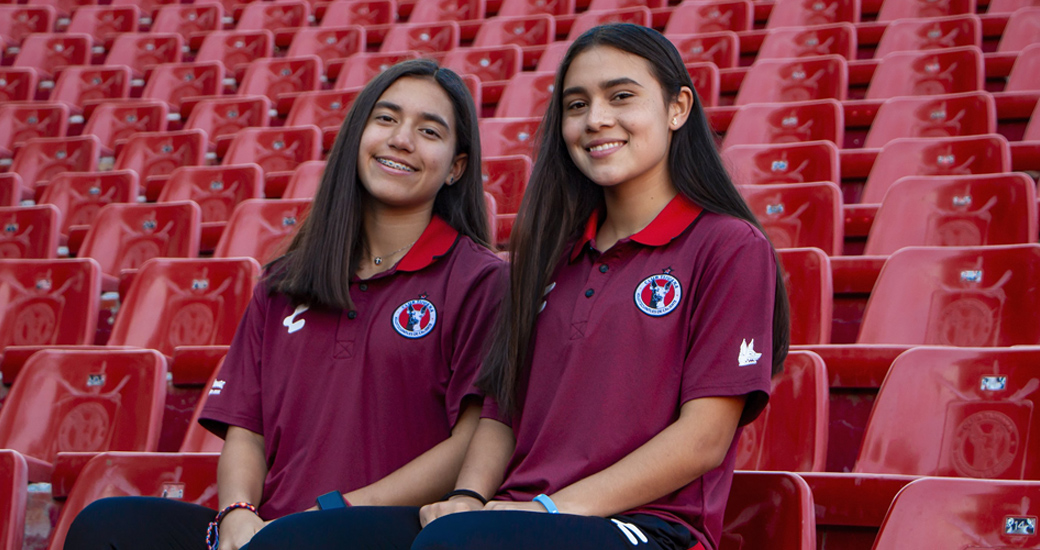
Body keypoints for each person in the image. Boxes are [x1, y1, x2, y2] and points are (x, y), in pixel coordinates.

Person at [247, 23, 790, 550]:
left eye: (621, 96)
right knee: (298, 540)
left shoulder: (729, 245)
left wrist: (552, 510)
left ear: (678, 109)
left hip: (646, 525)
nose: (596, 119)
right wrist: (466, 495)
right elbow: (502, 411)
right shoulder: (546, 259)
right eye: (576, 105)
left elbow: (704, 439)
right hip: (517, 514)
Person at [64, 58, 505, 550]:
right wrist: (237, 513)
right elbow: (245, 431)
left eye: (429, 130)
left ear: (456, 167)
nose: (401, 139)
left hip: (385, 526)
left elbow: (472, 440)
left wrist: (335, 511)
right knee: (106, 526)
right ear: (357, 135)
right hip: (276, 528)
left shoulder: (481, 280)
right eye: (386, 118)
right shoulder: (285, 281)